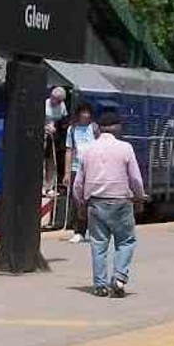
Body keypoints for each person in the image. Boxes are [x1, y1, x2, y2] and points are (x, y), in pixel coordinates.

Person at [73, 111, 147, 299]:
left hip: (96, 203)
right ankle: (119, 278)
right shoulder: (125, 148)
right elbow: (135, 178)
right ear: (118, 128)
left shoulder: (87, 149)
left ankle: (99, 285)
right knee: (125, 241)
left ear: (97, 128)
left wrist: (81, 203)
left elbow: (78, 183)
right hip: (121, 203)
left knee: (98, 244)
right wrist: (139, 197)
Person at [64, 103, 99, 243]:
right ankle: (78, 231)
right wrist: (67, 172)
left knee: (93, 200)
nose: (86, 115)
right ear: (78, 114)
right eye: (83, 112)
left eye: (88, 112)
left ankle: (94, 230)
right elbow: (69, 150)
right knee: (77, 201)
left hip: (92, 169)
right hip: (76, 168)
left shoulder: (95, 128)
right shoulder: (72, 130)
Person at [43, 87, 69, 193]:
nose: (55, 101)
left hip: (54, 136)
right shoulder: (44, 104)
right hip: (43, 134)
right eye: (53, 98)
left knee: (52, 162)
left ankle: (50, 186)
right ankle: (42, 186)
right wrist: (45, 127)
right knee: (42, 162)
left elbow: (64, 120)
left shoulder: (62, 106)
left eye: (58, 100)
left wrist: (58, 127)